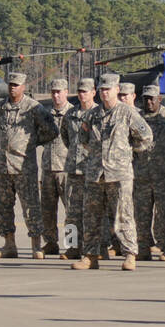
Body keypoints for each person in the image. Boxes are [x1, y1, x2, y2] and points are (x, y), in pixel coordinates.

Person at [72, 73, 153, 270]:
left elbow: (146, 137)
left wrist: (126, 153)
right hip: (95, 173)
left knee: (124, 214)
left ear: (117, 90)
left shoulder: (127, 113)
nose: (104, 93)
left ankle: (129, 254)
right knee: (91, 215)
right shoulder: (92, 115)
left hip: (119, 174)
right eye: (102, 90)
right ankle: (90, 255)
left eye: (108, 89)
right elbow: (82, 139)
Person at [0, 71, 58, 260]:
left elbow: (51, 131)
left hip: (24, 167)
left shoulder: (34, 108)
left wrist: (31, 142)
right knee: (2, 207)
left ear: (24, 87)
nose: (12, 87)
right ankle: (9, 245)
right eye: (10, 84)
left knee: (31, 207)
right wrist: (5, 145)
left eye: (16, 85)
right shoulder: (0, 107)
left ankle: (36, 246)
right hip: (1, 166)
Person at [133, 84, 165, 261]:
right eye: (146, 98)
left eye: (152, 98)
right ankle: (143, 247)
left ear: (159, 99)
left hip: (164, 175)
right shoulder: (137, 118)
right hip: (142, 175)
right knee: (141, 213)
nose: (148, 102)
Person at [61, 78, 96, 260]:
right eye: (80, 91)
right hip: (74, 170)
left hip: (92, 171)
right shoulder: (70, 114)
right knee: (71, 213)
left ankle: (94, 248)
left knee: (93, 212)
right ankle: (72, 247)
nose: (82, 94)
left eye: (86, 91)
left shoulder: (98, 114)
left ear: (93, 93)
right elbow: (65, 137)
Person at [39, 78, 73, 257]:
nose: (56, 95)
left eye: (59, 91)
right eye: (53, 92)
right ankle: (50, 243)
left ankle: (72, 245)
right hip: (47, 168)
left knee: (71, 211)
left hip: (66, 169)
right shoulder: (46, 114)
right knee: (47, 210)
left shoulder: (73, 114)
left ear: (66, 92)